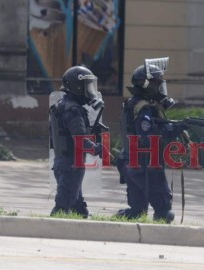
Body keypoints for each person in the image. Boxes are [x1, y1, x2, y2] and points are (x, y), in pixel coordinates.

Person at [116, 62, 179, 223]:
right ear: (146, 85)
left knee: (137, 211)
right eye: (157, 84)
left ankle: (128, 216)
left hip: (131, 160)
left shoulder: (136, 104)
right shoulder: (143, 109)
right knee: (164, 211)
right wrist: (171, 132)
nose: (160, 88)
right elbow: (147, 138)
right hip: (144, 163)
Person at [49, 65, 105, 217]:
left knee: (78, 208)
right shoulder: (74, 111)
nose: (90, 91)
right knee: (62, 207)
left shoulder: (61, 106)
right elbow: (81, 140)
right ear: (77, 87)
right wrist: (97, 149)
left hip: (64, 162)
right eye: (86, 86)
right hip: (71, 165)